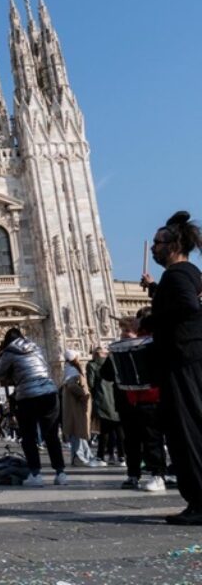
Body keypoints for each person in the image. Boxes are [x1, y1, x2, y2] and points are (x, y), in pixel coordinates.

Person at [139, 211, 202, 524]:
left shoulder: (177, 276)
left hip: (182, 361)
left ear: (174, 244)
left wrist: (147, 322)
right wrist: (155, 291)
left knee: (186, 432)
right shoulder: (189, 273)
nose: (153, 248)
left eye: (159, 243)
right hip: (190, 360)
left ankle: (199, 503)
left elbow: (188, 308)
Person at [0, 326, 68, 487]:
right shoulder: (36, 347)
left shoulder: (10, 352)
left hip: (28, 396)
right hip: (49, 392)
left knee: (28, 436)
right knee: (52, 435)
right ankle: (60, 473)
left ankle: (35, 474)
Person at [104, 313, 165, 491]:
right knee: (130, 440)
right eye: (122, 330)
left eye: (127, 330)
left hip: (150, 397)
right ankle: (133, 474)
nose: (124, 333)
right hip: (128, 400)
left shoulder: (149, 344)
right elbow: (106, 373)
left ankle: (157, 474)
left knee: (152, 438)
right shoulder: (120, 348)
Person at [61, 350, 101, 467]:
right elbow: (71, 385)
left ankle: (86, 455)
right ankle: (79, 457)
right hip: (76, 406)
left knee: (80, 431)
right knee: (77, 431)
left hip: (76, 405)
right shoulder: (72, 370)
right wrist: (83, 395)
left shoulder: (70, 369)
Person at [87, 345, 123, 465]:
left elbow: (90, 384)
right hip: (117, 398)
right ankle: (121, 456)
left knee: (105, 430)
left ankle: (101, 457)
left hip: (102, 400)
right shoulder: (115, 363)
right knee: (118, 429)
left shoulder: (92, 365)